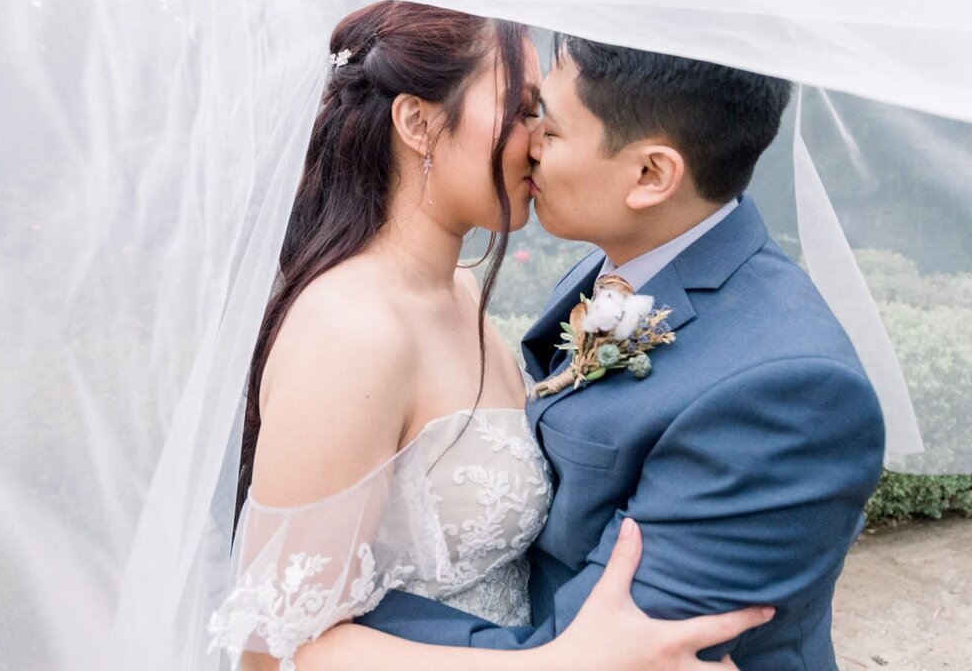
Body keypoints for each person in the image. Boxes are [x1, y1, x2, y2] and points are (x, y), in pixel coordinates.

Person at [207, 1, 772, 671]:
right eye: (525, 108)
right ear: (418, 122)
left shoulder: (460, 291)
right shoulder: (354, 331)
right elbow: (271, 649)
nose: (539, 140)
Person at [352, 36, 887, 670]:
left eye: (547, 126)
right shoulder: (626, 262)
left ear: (651, 174)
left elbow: (597, 651)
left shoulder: (789, 394)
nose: (526, 146)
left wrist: (329, 616)